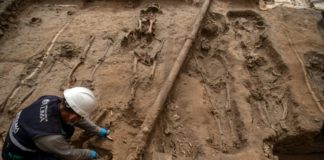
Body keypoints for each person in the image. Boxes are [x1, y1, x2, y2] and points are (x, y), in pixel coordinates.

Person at [1, 87, 110, 160]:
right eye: (78, 116)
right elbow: (68, 153)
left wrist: (97, 130)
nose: (79, 118)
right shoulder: (51, 137)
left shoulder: (51, 99)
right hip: (18, 155)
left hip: (23, 136)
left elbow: (78, 116)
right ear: (73, 116)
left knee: (67, 128)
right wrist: (89, 154)